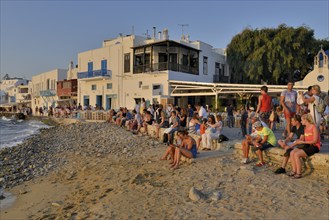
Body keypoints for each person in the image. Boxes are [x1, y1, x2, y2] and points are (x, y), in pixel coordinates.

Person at [289, 114, 321, 178]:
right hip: (307, 145)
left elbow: (315, 141)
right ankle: (294, 170)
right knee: (292, 152)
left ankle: (299, 173)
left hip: (314, 146)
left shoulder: (314, 127)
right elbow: (304, 138)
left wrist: (303, 141)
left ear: (306, 120)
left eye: (302, 120)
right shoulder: (305, 128)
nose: (301, 121)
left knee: (296, 154)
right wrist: (298, 141)